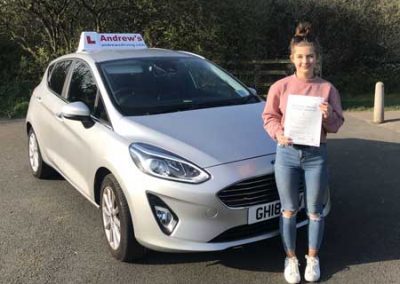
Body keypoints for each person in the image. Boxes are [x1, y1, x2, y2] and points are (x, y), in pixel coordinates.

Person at [262, 22, 344, 283]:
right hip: (286, 154)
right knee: (288, 209)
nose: (305, 61)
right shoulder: (280, 87)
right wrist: (278, 133)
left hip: (315, 155)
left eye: (310, 56)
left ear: (316, 58)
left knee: (314, 211)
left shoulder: (327, 89)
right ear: (292, 59)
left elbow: (337, 125)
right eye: (300, 57)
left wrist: (329, 114)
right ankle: (290, 259)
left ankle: (312, 257)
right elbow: (269, 116)